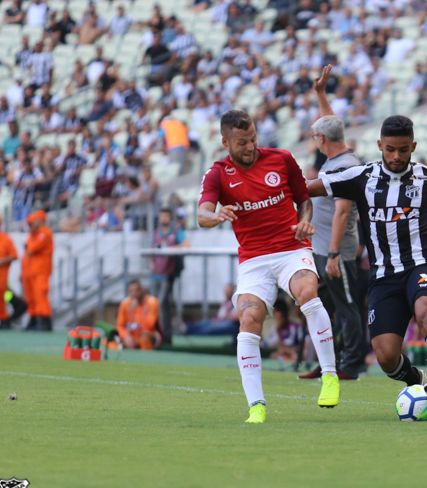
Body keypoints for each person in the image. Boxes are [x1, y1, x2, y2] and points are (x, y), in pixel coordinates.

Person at [307, 115, 427, 410]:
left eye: (403, 149)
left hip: (421, 265)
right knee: (386, 357)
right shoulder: (360, 177)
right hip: (384, 276)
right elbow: (307, 188)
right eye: (390, 149)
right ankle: (417, 379)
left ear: (413, 146)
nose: (396, 156)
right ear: (379, 146)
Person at [198, 110, 340, 423]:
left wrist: (304, 222)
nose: (249, 147)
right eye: (241, 142)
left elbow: (305, 199)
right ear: (225, 142)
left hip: (291, 248)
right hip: (254, 258)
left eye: (253, 139)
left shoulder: (282, 159)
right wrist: (217, 216)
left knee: (307, 292)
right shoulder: (217, 174)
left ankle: (329, 375)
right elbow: (202, 215)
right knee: (248, 318)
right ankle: (256, 406)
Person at [300, 64, 364, 380]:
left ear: (321, 139)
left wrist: (336, 253)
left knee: (348, 306)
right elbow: (331, 125)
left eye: (315, 137)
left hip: (338, 250)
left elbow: (342, 212)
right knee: (324, 308)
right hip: (323, 247)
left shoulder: (345, 167)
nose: (314, 141)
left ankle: (351, 366)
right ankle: (330, 363)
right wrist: (321, 93)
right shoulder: (337, 157)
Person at [151, 207, 189, 345]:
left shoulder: (176, 231)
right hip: (156, 274)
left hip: (168, 273)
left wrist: (172, 249)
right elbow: (152, 249)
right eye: (161, 216)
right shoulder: (156, 233)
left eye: (166, 216)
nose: (163, 219)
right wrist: (152, 263)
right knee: (159, 305)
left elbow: (186, 244)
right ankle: (158, 335)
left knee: (162, 304)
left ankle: (165, 336)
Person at [22, 210, 53, 331]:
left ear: (40, 220)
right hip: (31, 272)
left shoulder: (45, 233)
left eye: (33, 222)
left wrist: (31, 235)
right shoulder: (34, 234)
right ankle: (34, 320)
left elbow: (31, 248)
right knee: (31, 297)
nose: (31, 225)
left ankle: (45, 322)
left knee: (40, 296)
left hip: (41, 271)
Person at [117, 279, 161, 350]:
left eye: (137, 290)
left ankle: (147, 358)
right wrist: (126, 336)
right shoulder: (124, 304)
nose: (134, 293)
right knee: (110, 342)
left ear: (142, 290)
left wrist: (138, 308)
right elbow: (120, 326)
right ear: (128, 292)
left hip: (149, 335)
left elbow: (149, 326)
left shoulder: (152, 302)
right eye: (131, 291)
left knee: (144, 337)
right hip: (131, 336)